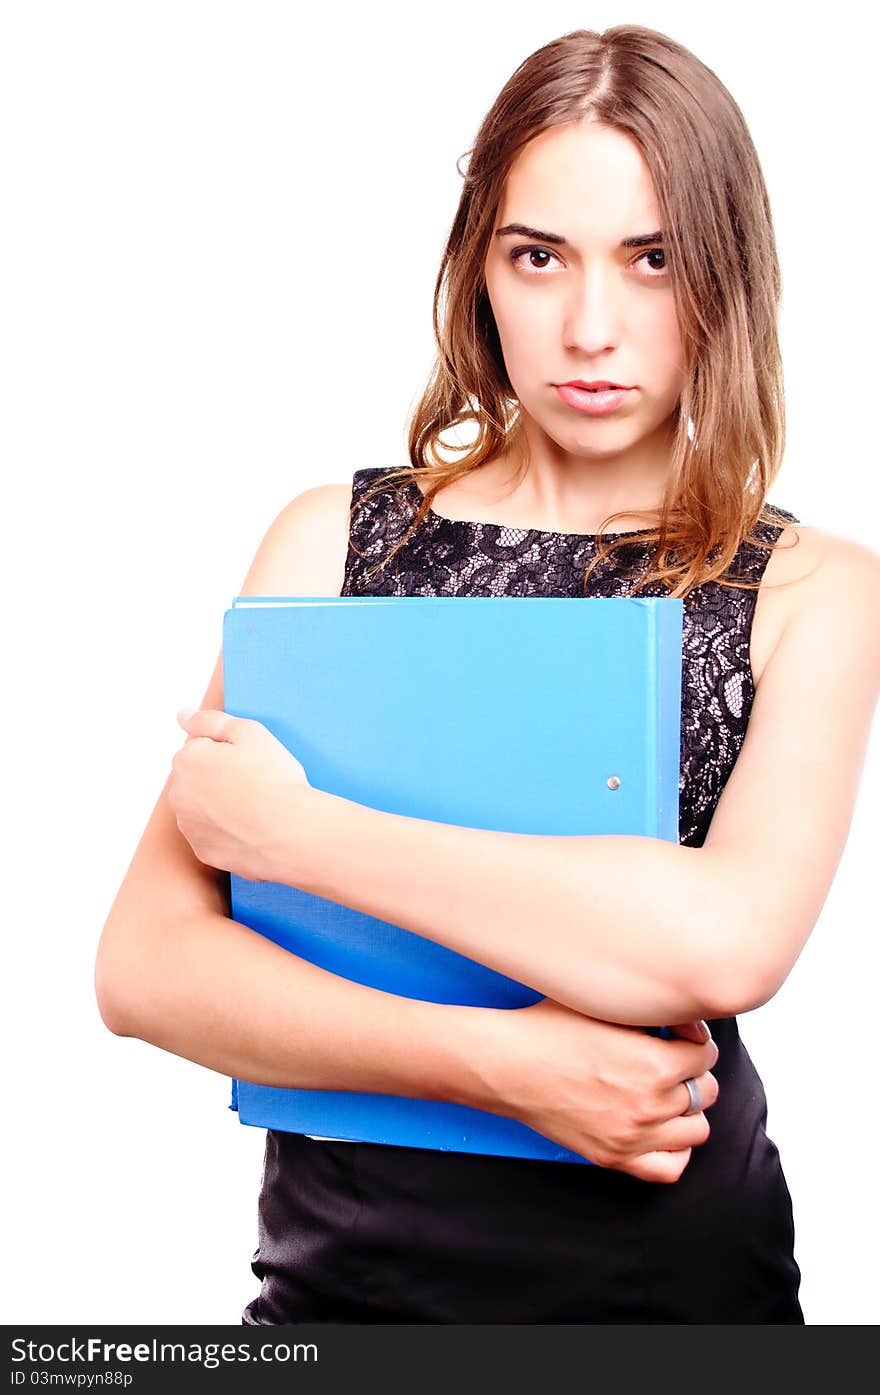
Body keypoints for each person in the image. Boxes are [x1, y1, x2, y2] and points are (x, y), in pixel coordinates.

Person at [95, 25, 880, 1324]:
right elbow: (147, 969)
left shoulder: (815, 590)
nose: (590, 324)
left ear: (728, 276)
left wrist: (305, 837)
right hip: (341, 1287)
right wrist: (503, 1064)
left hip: (673, 1288)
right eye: (540, 256)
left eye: (654, 259)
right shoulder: (327, 543)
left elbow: (726, 940)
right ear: (480, 272)